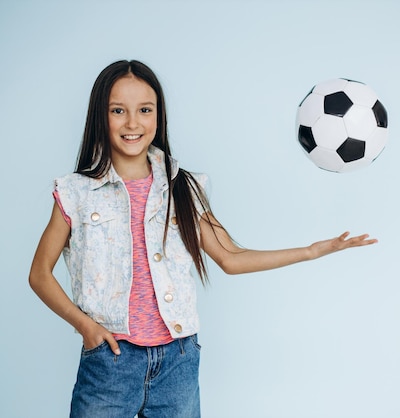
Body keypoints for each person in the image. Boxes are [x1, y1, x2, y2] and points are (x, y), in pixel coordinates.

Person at [28, 59, 377, 418]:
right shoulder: (76, 193)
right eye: (119, 110)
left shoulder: (184, 188)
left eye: (145, 110)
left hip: (177, 363)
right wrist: (86, 326)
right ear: (100, 117)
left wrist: (311, 251)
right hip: (110, 361)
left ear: (159, 117)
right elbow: (39, 273)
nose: (133, 123)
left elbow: (232, 258)